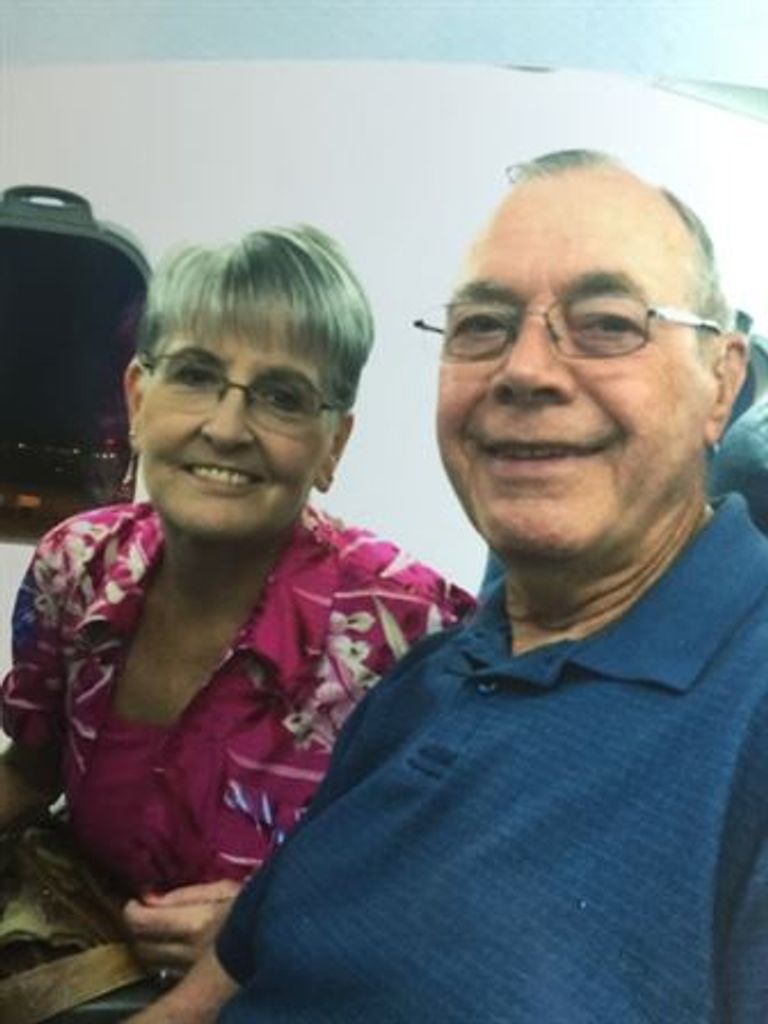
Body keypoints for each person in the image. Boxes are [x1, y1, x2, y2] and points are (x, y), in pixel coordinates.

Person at [131, 149, 768, 1024]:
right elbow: (228, 980)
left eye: (607, 323)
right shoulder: (424, 676)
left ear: (721, 383)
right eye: (482, 325)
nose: (525, 370)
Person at [0, 225, 473, 977]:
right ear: (137, 399)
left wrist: (276, 922)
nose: (224, 429)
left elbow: (446, 889)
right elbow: (33, 767)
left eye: (282, 397)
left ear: (333, 445)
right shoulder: (75, 566)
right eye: (194, 375)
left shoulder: (414, 634)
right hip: (80, 949)